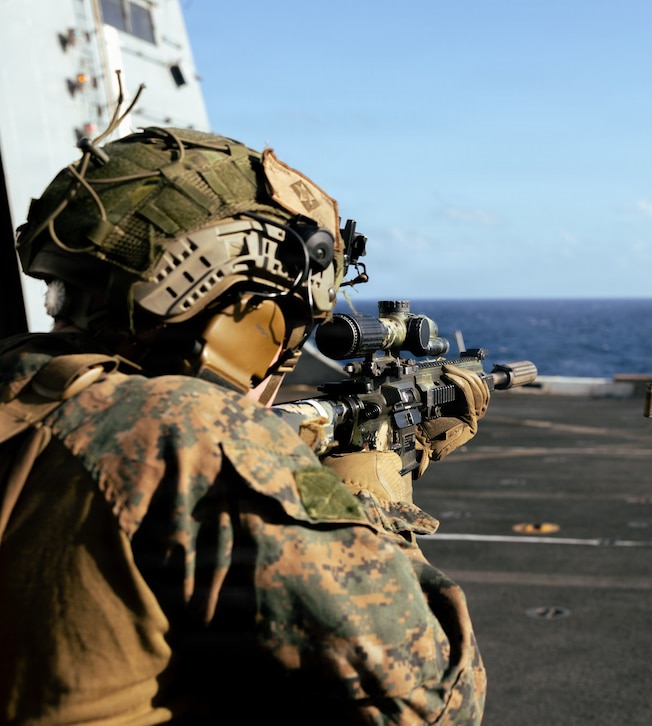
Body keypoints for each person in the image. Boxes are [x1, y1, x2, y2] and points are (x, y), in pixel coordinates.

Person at [0, 127, 486, 724]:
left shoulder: (23, 384)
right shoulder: (188, 432)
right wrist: (372, 505)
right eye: (291, 326)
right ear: (247, 318)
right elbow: (433, 702)